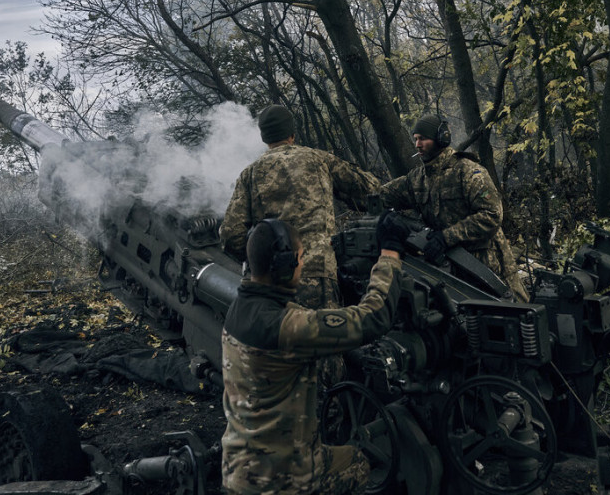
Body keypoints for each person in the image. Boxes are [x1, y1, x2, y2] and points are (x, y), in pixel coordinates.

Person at [220, 216, 408, 495]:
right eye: (300, 257)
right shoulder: (287, 328)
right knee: (357, 462)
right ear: (284, 266)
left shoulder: (242, 308)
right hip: (282, 481)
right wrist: (389, 254)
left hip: (239, 471)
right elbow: (372, 318)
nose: (303, 265)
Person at [221, 105, 380, 309]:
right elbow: (370, 188)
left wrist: (260, 262)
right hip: (318, 273)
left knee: (280, 339)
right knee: (324, 337)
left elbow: (230, 236)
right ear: (292, 133)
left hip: (271, 283)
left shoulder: (250, 174)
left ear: (264, 137)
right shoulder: (318, 159)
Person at [380, 114, 529, 301]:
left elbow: (492, 215)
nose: (417, 145)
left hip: (490, 266)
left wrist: (447, 237)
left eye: (423, 139)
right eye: (415, 139)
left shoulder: (468, 172)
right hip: (452, 271)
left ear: (441, 139)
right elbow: (381, 195)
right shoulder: (417, 179)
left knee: (519, 318)